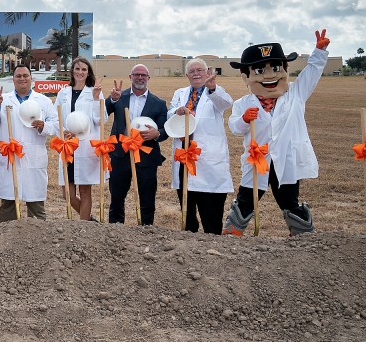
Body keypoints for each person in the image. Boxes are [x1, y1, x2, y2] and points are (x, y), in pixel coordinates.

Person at [224, 30, 330, 236]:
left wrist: (318, 52)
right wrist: (244, 119)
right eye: (260, 71)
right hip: (257, 159)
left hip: (286, 157)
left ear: (285, 69)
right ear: (246, 76)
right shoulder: (242, 104)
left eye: (275, 68)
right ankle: (232, 233)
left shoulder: (295, 94)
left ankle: (303, 234)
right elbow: (235, 129)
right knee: (247, 197)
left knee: (289, 199)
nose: (270, 75)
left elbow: (312, 72)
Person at [166, 59, 234, 234]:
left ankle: (212, 246)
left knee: (211, 214)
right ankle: (190, 245)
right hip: (184, 157)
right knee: (187, 213)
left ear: (207, 72)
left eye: (200, 70)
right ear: (187, 75)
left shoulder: (215, 93)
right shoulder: (180, 93)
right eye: (192, 71)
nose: (196, 73)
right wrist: (176, 112)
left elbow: (226, 103)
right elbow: (170, 113)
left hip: (207, 160)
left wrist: (212, 88)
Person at [0, 66, 60, 221]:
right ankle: (6, 239)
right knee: (8, 203)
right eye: (18, 76)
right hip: (10, 158)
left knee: (36, 204)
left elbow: (56, 125)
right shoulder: (3, 99)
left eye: (25, 75)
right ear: (12, 79)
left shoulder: (43, 101)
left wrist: (43, 126)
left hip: (33, 157)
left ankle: (36, 241)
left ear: (31, 78)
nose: (22, 79)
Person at [104, 64, 168, 225]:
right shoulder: (119, 96)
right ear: (130, 77)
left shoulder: (159, 103)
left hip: (146, 157)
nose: (140, 77)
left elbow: (165, 129)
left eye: (143, 75)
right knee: (117, 198)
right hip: (121, 155)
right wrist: (113, 99)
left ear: (148, 78)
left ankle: (146, 230)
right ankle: (115, 230)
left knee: (147, 198)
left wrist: (157, 134)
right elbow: (103, 111)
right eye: (136, 74)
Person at [54, 57, 105, 221]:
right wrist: (64, 131)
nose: (80, 72)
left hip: (85, 147)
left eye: (84, 69)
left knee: (84, 191)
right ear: (72, 71)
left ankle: (85, 227)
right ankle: (90, 220)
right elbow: (57, 118)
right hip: (68, 146)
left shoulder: (94, 92)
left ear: (88, 72)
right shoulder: (63, 93)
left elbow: (100, 120)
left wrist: (97, 99)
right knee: (67, 194)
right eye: (77, 69)